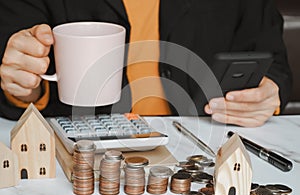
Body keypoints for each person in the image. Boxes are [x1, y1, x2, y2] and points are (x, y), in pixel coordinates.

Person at [0, 0, 292, 127]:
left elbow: (272, 58)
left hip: (206, 142)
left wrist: (268, 92)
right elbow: (16, 62)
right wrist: (24, 87)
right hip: (77, 148)